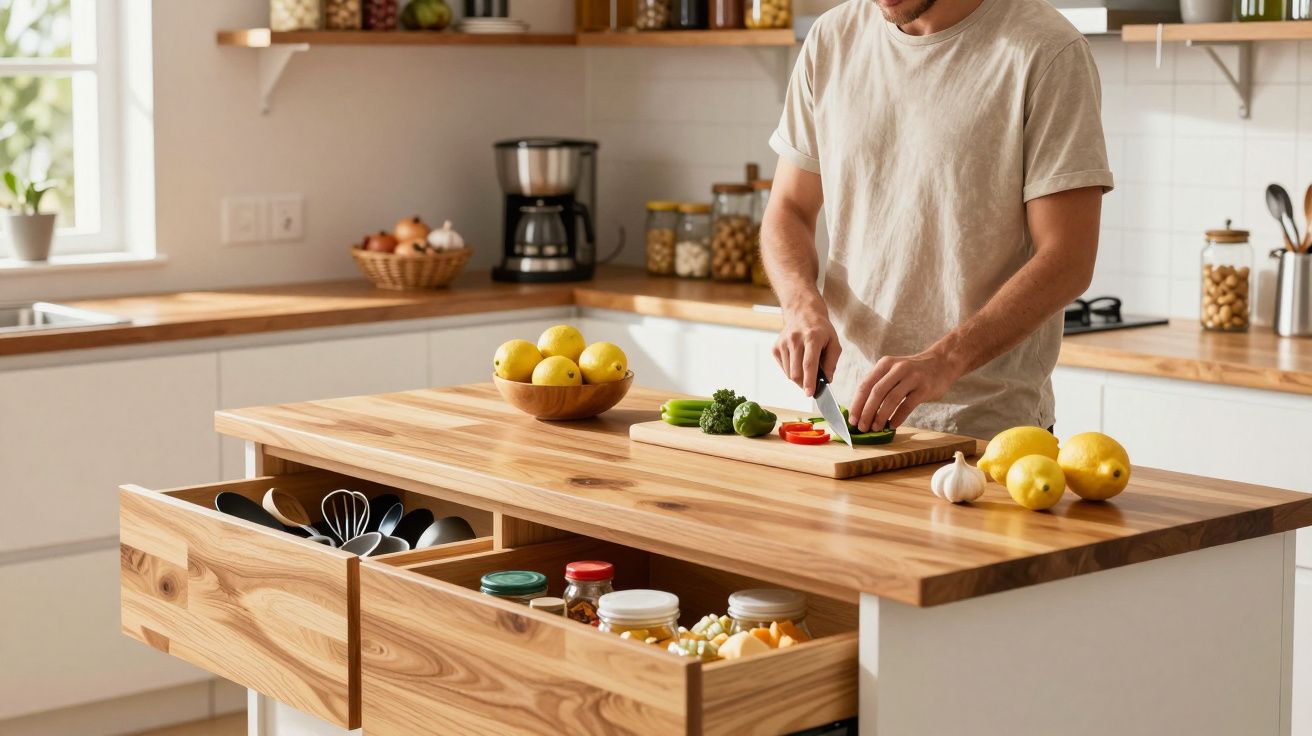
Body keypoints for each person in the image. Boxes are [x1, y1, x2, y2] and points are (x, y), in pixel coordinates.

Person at [761, 0, 1112, 439]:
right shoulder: (832, 38)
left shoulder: (1046, 49)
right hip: (849, 420)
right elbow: (789, 209)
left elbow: (1068, 258)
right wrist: (799, 305)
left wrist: (945, 360)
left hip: (987, 432)